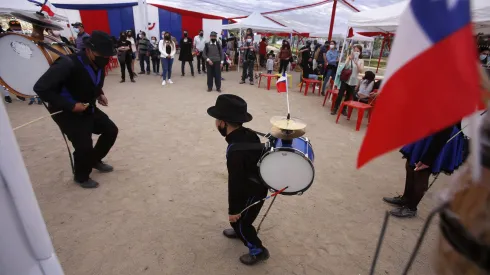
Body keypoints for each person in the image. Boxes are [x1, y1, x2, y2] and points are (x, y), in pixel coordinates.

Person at [33, 30, 119, 189]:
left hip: (87, 106)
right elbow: (41, 88)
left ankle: (94, 160)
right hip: (65, 111)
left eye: (108, 56)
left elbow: (94, 82)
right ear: (89, 50)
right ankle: (81, 177)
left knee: (110, 130)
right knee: (83, 145)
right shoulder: (67, 63)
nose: (106, 59)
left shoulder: (99, 62)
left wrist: (99, 93)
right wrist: (71, 106)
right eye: (103, 55)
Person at [206, 94, 270, 265]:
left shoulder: (235, 151)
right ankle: (238, 229)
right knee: (240, 220)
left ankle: (258, 250)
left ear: (223, 123)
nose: (216, 123)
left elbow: (236, 182)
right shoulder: (247, 134)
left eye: (217, 119)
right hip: (254, 184)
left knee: (242, 223)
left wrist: (233, 210)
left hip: (253, 190)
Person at [383, 124, 466, 218]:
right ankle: (405, 198)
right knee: (410, 165)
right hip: (429, 129)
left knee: (422, 171)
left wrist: (428, 159)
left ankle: (411, 208)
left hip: (441, 135)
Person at [331, 44, 364, 116]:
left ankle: (344, 109)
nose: (356, 52)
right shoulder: (349, 57)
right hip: (346, 79)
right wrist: (349, 59)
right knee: (340, 95)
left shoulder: (361, 60)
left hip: (353, 80)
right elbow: (345, 66)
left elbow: (361, 71)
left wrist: (357, 64)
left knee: (348, 96)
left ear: (360, 52)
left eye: (357, 51)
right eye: (355, 50)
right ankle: (335, 108)